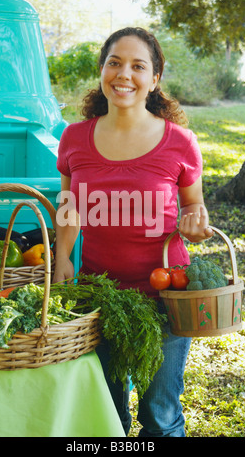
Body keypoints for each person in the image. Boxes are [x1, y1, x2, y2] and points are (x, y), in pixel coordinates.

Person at [53, 27, 213, 437]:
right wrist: (61, 264)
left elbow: (193, 203)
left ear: (154, 79)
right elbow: (68, 208)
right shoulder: (74, 138)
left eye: (138, 66)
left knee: (160, 414)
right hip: (96, 292)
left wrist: (195, 222)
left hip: (165, 296)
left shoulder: (180, 142)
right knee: (106, 413)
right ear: (102, 70)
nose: (124, 74)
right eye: (115, 63)